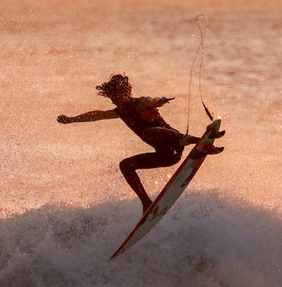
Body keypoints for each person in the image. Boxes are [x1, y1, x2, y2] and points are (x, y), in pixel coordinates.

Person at [58, 74, 223, 212]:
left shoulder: (139, 103)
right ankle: (146, 202)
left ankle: (192, 140)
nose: (116, 101)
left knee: (147, 132)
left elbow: (150, 101)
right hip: (166, 156)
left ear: (127, 92)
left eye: (118, 96)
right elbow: (96, 115)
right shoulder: (120, 112)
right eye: (113, 98)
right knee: (125, 165)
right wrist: (71, 119)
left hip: (174, 144)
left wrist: (159, 101)